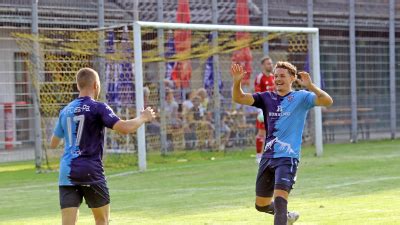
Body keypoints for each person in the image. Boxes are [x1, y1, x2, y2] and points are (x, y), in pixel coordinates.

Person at [49, 68, 156, 225]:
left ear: (78, 86)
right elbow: (124, 128)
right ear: (96, 85)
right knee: (101, 220)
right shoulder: (98, 107)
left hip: (67, 173)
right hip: (90, 171)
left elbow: (53, 143)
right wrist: (143, 117)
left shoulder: (65, 111)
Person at [231, 62, 333, 225]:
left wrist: (311, 86)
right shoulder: (266, 98)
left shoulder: (302, 97)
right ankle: (287, 216)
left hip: (287, 158)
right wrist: (237, 81)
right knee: (261, 205)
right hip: (268, 157)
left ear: (292, 78)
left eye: (282, 76)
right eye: (276, 76)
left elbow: (327, 101)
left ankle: (283, 215)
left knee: (280, 201)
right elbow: (238, 97)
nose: (278, 79)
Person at [254, 56, 275, 164]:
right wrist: (260, 110)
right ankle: (258, 156)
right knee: (261, 133)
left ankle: (270, 155)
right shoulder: (259, 78)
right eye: (268, 64)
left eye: (271, 63)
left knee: (273, 132)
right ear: (263, 65)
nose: (270, 65)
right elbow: (257, 94)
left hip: (273, 110)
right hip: (263, 110)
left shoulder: (273, 77)